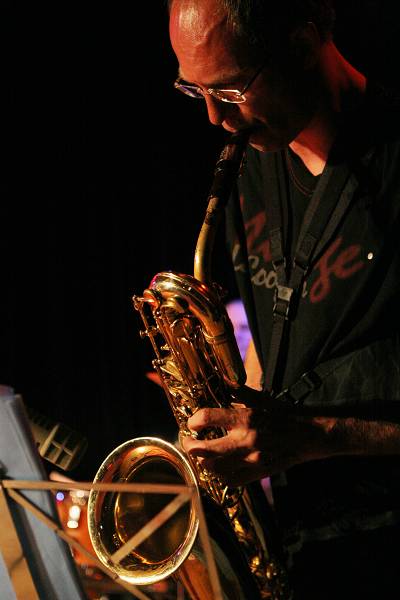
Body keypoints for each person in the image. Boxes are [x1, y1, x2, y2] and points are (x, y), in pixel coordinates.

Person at [167, 1, 400, 598]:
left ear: (302, 43)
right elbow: (280, 348)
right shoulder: (249, 163)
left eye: (232, 89)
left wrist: (313, 437)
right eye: (195, 94)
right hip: (313, 555)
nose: (216, 120)